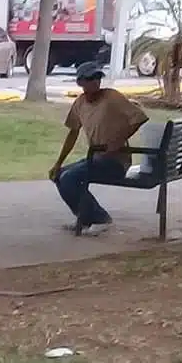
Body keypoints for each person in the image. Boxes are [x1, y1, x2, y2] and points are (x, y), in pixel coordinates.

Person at [50, 62, 149, 234]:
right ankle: (85, 217)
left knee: (69, 179)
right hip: (95, 158)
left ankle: (100, 218)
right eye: (89, 79)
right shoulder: (80, 103)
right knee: (60, 175)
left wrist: (119, 140)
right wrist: (58, 163)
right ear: (80, 82)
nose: (95, 83)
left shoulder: (112, 97)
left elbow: (139, 118)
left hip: (115, 161)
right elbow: (72, 133)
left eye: (97, 78)